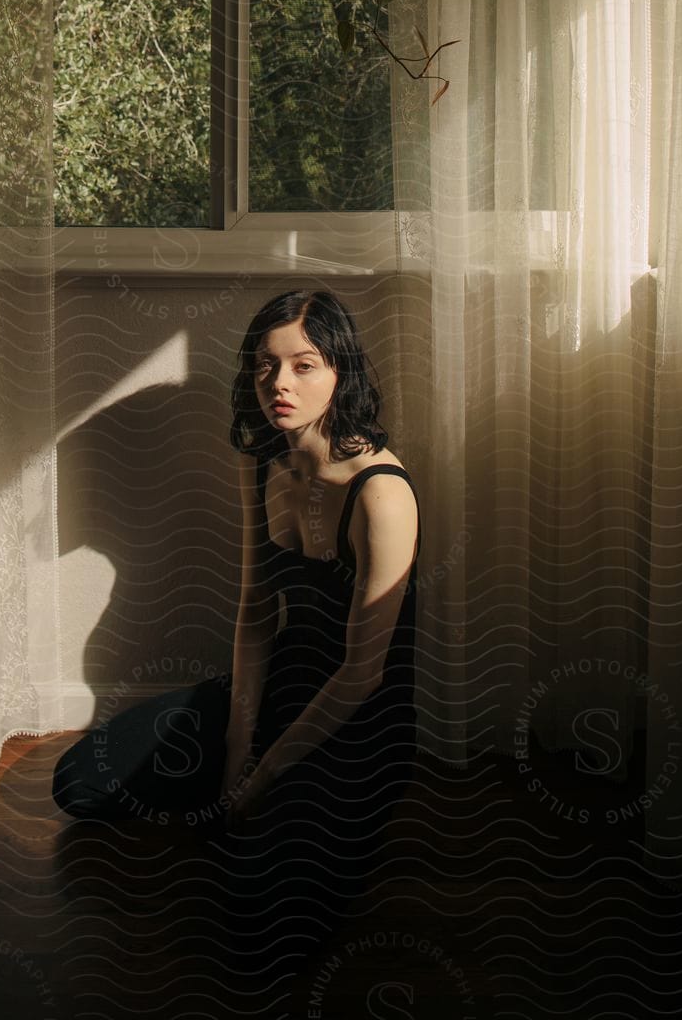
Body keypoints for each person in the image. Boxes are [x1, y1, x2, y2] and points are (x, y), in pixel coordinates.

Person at [212, 287, 422, 995]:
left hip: (357, 725)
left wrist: (262, 776)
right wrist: (237, 750)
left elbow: (364, 676)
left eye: (304, 365)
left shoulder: (381, 493)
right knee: (79, 782)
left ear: (341, 372)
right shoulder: (265, 462)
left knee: (257, 938)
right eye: (266, 366)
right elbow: (253, 614)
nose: (280, 385)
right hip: (280, 694)